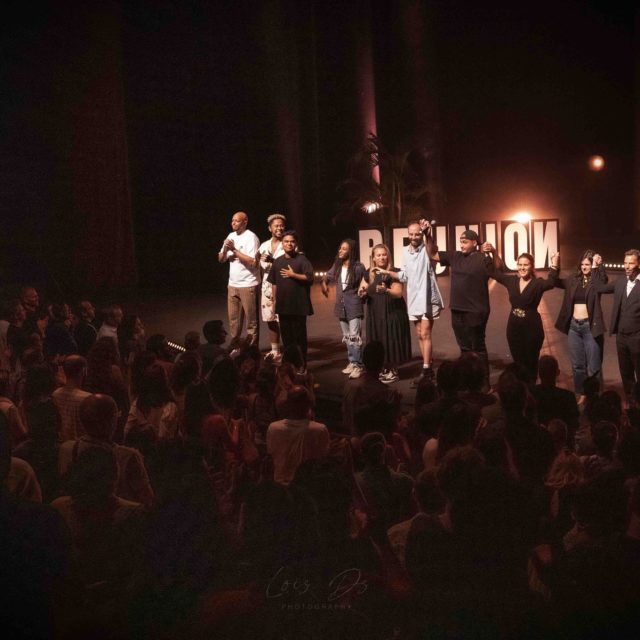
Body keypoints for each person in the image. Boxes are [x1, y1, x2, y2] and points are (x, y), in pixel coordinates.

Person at [425, 222, 496, 385]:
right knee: (464, 348)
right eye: (460, 242)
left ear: (474, 243)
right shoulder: (455, 256)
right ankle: (468, 380)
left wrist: (493, 251)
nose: (461, 245)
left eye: (465, 242)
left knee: (477, 348)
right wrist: (428, 235)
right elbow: (432, 254)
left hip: (476, 311)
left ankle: (484, 383)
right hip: (457, 309)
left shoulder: (482, 258)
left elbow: (497, 268)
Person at [383, 220, 444, 386]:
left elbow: (432, 249)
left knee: (425, 333)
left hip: (428, 298)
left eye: (417, 234)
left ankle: (426, 371)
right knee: (419, 334)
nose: (414, 237)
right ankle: (428, 367)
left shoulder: (427, 249)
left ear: (421, 234)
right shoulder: (405, 252)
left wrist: (428, 235)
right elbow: (404, 275)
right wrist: (387, 272)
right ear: (407, 234)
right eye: (411, 234)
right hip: (414, 298)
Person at [491, 251, 560, 382]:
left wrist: (555, 264)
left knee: (531, 362)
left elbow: (551, 282)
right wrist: (493, 252)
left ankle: (531, 389)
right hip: (514, 328)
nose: (522, 268)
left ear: (531, 266)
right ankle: (521, 389)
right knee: (518, 362)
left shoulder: (537, 284)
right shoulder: (512, 281)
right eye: (520, 264)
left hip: (532, 329)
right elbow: (495, 273)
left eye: (526, 265)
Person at [554, 250, 608, 399]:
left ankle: (595, 396)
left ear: (593, 266)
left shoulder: (597, 281)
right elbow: (555, 281)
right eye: (582, 264)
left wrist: (597, 266)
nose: (584, 267)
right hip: (574, 327)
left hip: (590, 327)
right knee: (577, 366)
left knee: (594, 366)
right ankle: (581, 393)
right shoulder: (573, 280)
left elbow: (602, 282)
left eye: (588, 264)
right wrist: (554, 265)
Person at [361, 243, 411, 384]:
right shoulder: (369, 273)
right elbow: (362, 289)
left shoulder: (394, 272)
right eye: (378, 255)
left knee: (390, 339)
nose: (382, 257)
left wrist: (386, 290)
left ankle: (393, 370)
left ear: (388, 256)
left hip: (391, 312)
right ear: (373, 258)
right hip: (375, 313)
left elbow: (398, 293)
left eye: (384, 255)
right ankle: (383, 368)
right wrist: (362, 293)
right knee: (379, 340)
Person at [599, 249, 640, 407]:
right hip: (621, 338)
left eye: (631, 263)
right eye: (625, 263)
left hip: (637, 337)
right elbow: (601, 288)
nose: (627, 266)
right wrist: (597, 267)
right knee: (626, 374)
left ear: (638, 264)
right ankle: (631, 405)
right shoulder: (621, 281)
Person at [321, 238, 367, 379]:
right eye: (340, 248)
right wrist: (324, 284)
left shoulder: (359, 267)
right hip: (341, 306)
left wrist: (363, 291)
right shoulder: (338, 265)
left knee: (354, 337)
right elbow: (327, 276)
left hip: (354, 306)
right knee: (347, 337)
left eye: (344, 249)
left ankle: (359, 365)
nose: (340, 251)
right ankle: (352, 362)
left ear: (351, 251)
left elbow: (365, 282)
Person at [266, 230, 314, 363]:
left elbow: (310, 278)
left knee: (300, 337)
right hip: (283, 306)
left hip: (299, 306)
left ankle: (302, 364)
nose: (289, 244)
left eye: (292, 241)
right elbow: (274, 282)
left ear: (296, 243)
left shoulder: (302, 260)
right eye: (286, 241)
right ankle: (290, 365)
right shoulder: (278, 261)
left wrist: (293, 275)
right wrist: (274, 301)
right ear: (282, 243)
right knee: (287, 338)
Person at [266, 385, 329, 485]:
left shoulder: (273, 428)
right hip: (307, 486)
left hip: (280, 484)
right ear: (308, 405)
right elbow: (323, 457)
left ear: (287, 404)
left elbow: (271, 455)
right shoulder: (320, 430)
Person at [218, 211, 261, 349]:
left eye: (236, 220)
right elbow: (221, 259)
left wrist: (234, 250)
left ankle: (252, 350)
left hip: (248, 284)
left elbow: (253, 262)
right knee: (234, 320)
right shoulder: (230, 236)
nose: (233, 223)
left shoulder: (251, 237)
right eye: (232, 220)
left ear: (245, 222)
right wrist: (225, 250)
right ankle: (236, 348)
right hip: (233, 284)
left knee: (251, 322)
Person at [258, 213, 286, 362]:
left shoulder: (288, 243)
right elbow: (259, 265)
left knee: (284, 320)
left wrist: (273, 260)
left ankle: (289, 350)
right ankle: (275, 350)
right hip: (267, 287)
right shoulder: (264, 246)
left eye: (282, 225)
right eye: (276, 225)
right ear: (270, 228)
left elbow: (291, 265)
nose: (279, 228)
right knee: (270, 319)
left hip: (283, 287)